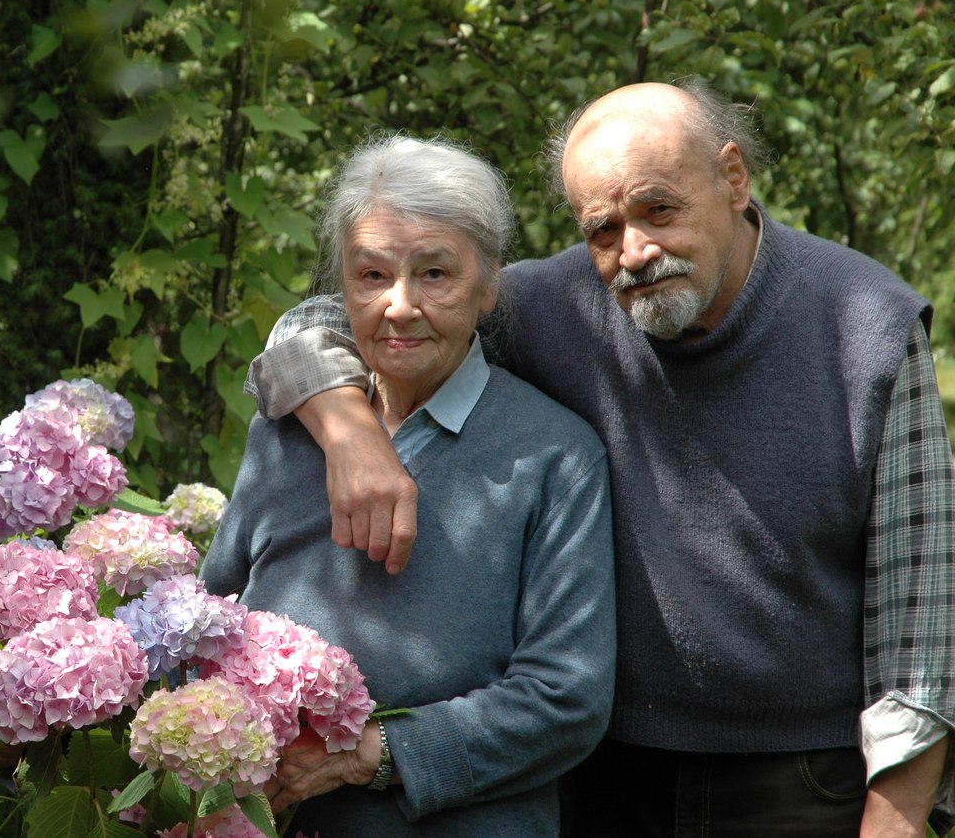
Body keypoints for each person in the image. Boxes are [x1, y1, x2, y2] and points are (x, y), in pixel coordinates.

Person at [243, 79, 955, 837]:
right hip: (602, 775)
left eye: (659, 210)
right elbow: (337, 317)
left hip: (805, 776)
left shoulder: (865, 324)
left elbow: (922, 615)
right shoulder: (551, 304)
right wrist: (349, 425)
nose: (634, 252)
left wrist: (899, 813)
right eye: (602, 228)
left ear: (733, 179)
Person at [200, 135, 616, 836]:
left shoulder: (555, 456)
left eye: (434, 274)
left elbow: (566, 699)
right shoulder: (288, 432)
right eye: (371, 275)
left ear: (488, 285)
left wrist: (370, 753)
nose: (398, 306)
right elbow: (211, 614)